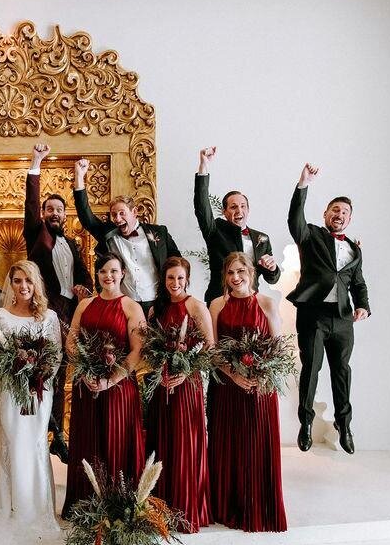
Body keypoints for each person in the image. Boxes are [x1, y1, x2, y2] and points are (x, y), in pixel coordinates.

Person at [0, 260, 62, 533]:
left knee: (34, 443)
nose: (23, 286)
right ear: (11, 284)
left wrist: (37, 376)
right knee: (13, 444)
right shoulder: (0, 317)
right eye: (18, 281)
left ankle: (37, 509)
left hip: (39, 391)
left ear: (36, 284)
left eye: (28, 281)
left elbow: (55, 357)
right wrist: (14, 373)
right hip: (8, 391)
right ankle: (12, 507)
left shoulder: (48, 318)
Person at [287, 164, 371, 454]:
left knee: (342, 372)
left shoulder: (354, 249)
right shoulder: (311, 235)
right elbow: (294, 220)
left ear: (349, 219)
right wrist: (303, 184)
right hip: (313, 315)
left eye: (345, 212)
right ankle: (306, 423)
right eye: (335, 210)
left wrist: (364, 306)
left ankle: (344, 425)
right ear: (326, 215)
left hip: (343, 319)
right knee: (311, 369)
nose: (339, 215)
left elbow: (359, 282)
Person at [62, 252, 146, 519]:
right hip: (86, 385)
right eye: (102, 272)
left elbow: (136, 352)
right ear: (97, 275)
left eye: (113, 271)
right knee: (88, 442)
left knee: (116, 443)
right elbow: (72, 341)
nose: (108, 276)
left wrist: (111, 380)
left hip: (119, 389)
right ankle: (85, 503)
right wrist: (83, 368)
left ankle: (118, 505)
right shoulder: (85, 305)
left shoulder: (132, 307)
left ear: (122, 273)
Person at [208, 253, 287, 532]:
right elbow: (213, 350)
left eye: (241, 271)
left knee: (255, 445)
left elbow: (278, 349)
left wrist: (258, 376)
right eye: (230, 273)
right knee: (228, 445)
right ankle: (227, 507)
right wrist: (234, 375)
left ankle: (258, 508)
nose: (236, 277)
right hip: (226, 387)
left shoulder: (266, 303)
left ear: (251, 273)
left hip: (260, 387)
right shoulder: (217, 305)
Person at [25, 145, 94, 462]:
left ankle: (58, 436)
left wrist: (85, 288)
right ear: (43, 214)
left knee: (62, 371)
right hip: (42, 314)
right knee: (37, 371)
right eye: (49, 209)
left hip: (68, 314)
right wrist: (36, 163)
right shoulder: (37, 235)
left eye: (59, 210)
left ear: (65, 215)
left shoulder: (73, 243)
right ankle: (33, 431)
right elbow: (30, 202)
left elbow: (83, 275)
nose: (55, 213)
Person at [145, 257, 215, 532]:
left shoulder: (196, 307)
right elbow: (150, 349)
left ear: (187, 279)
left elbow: (210, 347)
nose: (175, 284)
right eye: (170, 278)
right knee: (162, 441)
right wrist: (160, 369)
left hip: (187, 385)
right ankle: (161, 507)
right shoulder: (155, 310)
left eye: (180, 278)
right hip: (161, 385)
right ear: (163, 280)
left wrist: (186, 371)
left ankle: (187, 509)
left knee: (186, 442)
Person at [73, 158, 181, 316]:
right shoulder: (109, 235)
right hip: (124, 305)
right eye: (114, 215)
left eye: (122, 213)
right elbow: (86, 216)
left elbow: (177, 262)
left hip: (157, 304)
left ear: (134, 212)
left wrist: (175, 295)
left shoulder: (159, 233)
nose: (117, 218)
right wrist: (79, 176)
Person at [193, 147, 281, 304]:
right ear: (225, 212)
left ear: (248, 209)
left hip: (252, 302)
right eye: (233, 207)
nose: (239, 210)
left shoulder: (262, 238)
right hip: (221, 301)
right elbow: (202, 206)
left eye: (243, 206)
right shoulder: (215, 230)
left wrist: (272, 268)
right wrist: (203, 167)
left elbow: (272, 279)